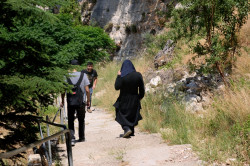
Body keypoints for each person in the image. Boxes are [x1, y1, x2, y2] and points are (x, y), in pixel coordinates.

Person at [61, 60, 90, 146]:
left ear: (70, 67)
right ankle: (81, 137)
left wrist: (62, 101)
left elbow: (62, 90)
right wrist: (88, 101)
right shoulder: (83, 75)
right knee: (81, 119)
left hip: (70, 102)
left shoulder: (65, 76)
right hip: (80, 102)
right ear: (78, 66)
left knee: (70, 120)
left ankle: (72, 138)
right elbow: (87, 90)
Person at [113, 60, 145, 138]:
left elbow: (117, 87)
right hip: (135, 98)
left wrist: (118, 76)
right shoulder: (138, 75)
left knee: (119, 112)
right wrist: (139, 97)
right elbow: (142, 89)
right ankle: (131, 131)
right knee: (132, 114)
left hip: (124, 98)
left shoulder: (123, 76)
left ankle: (126, 128)